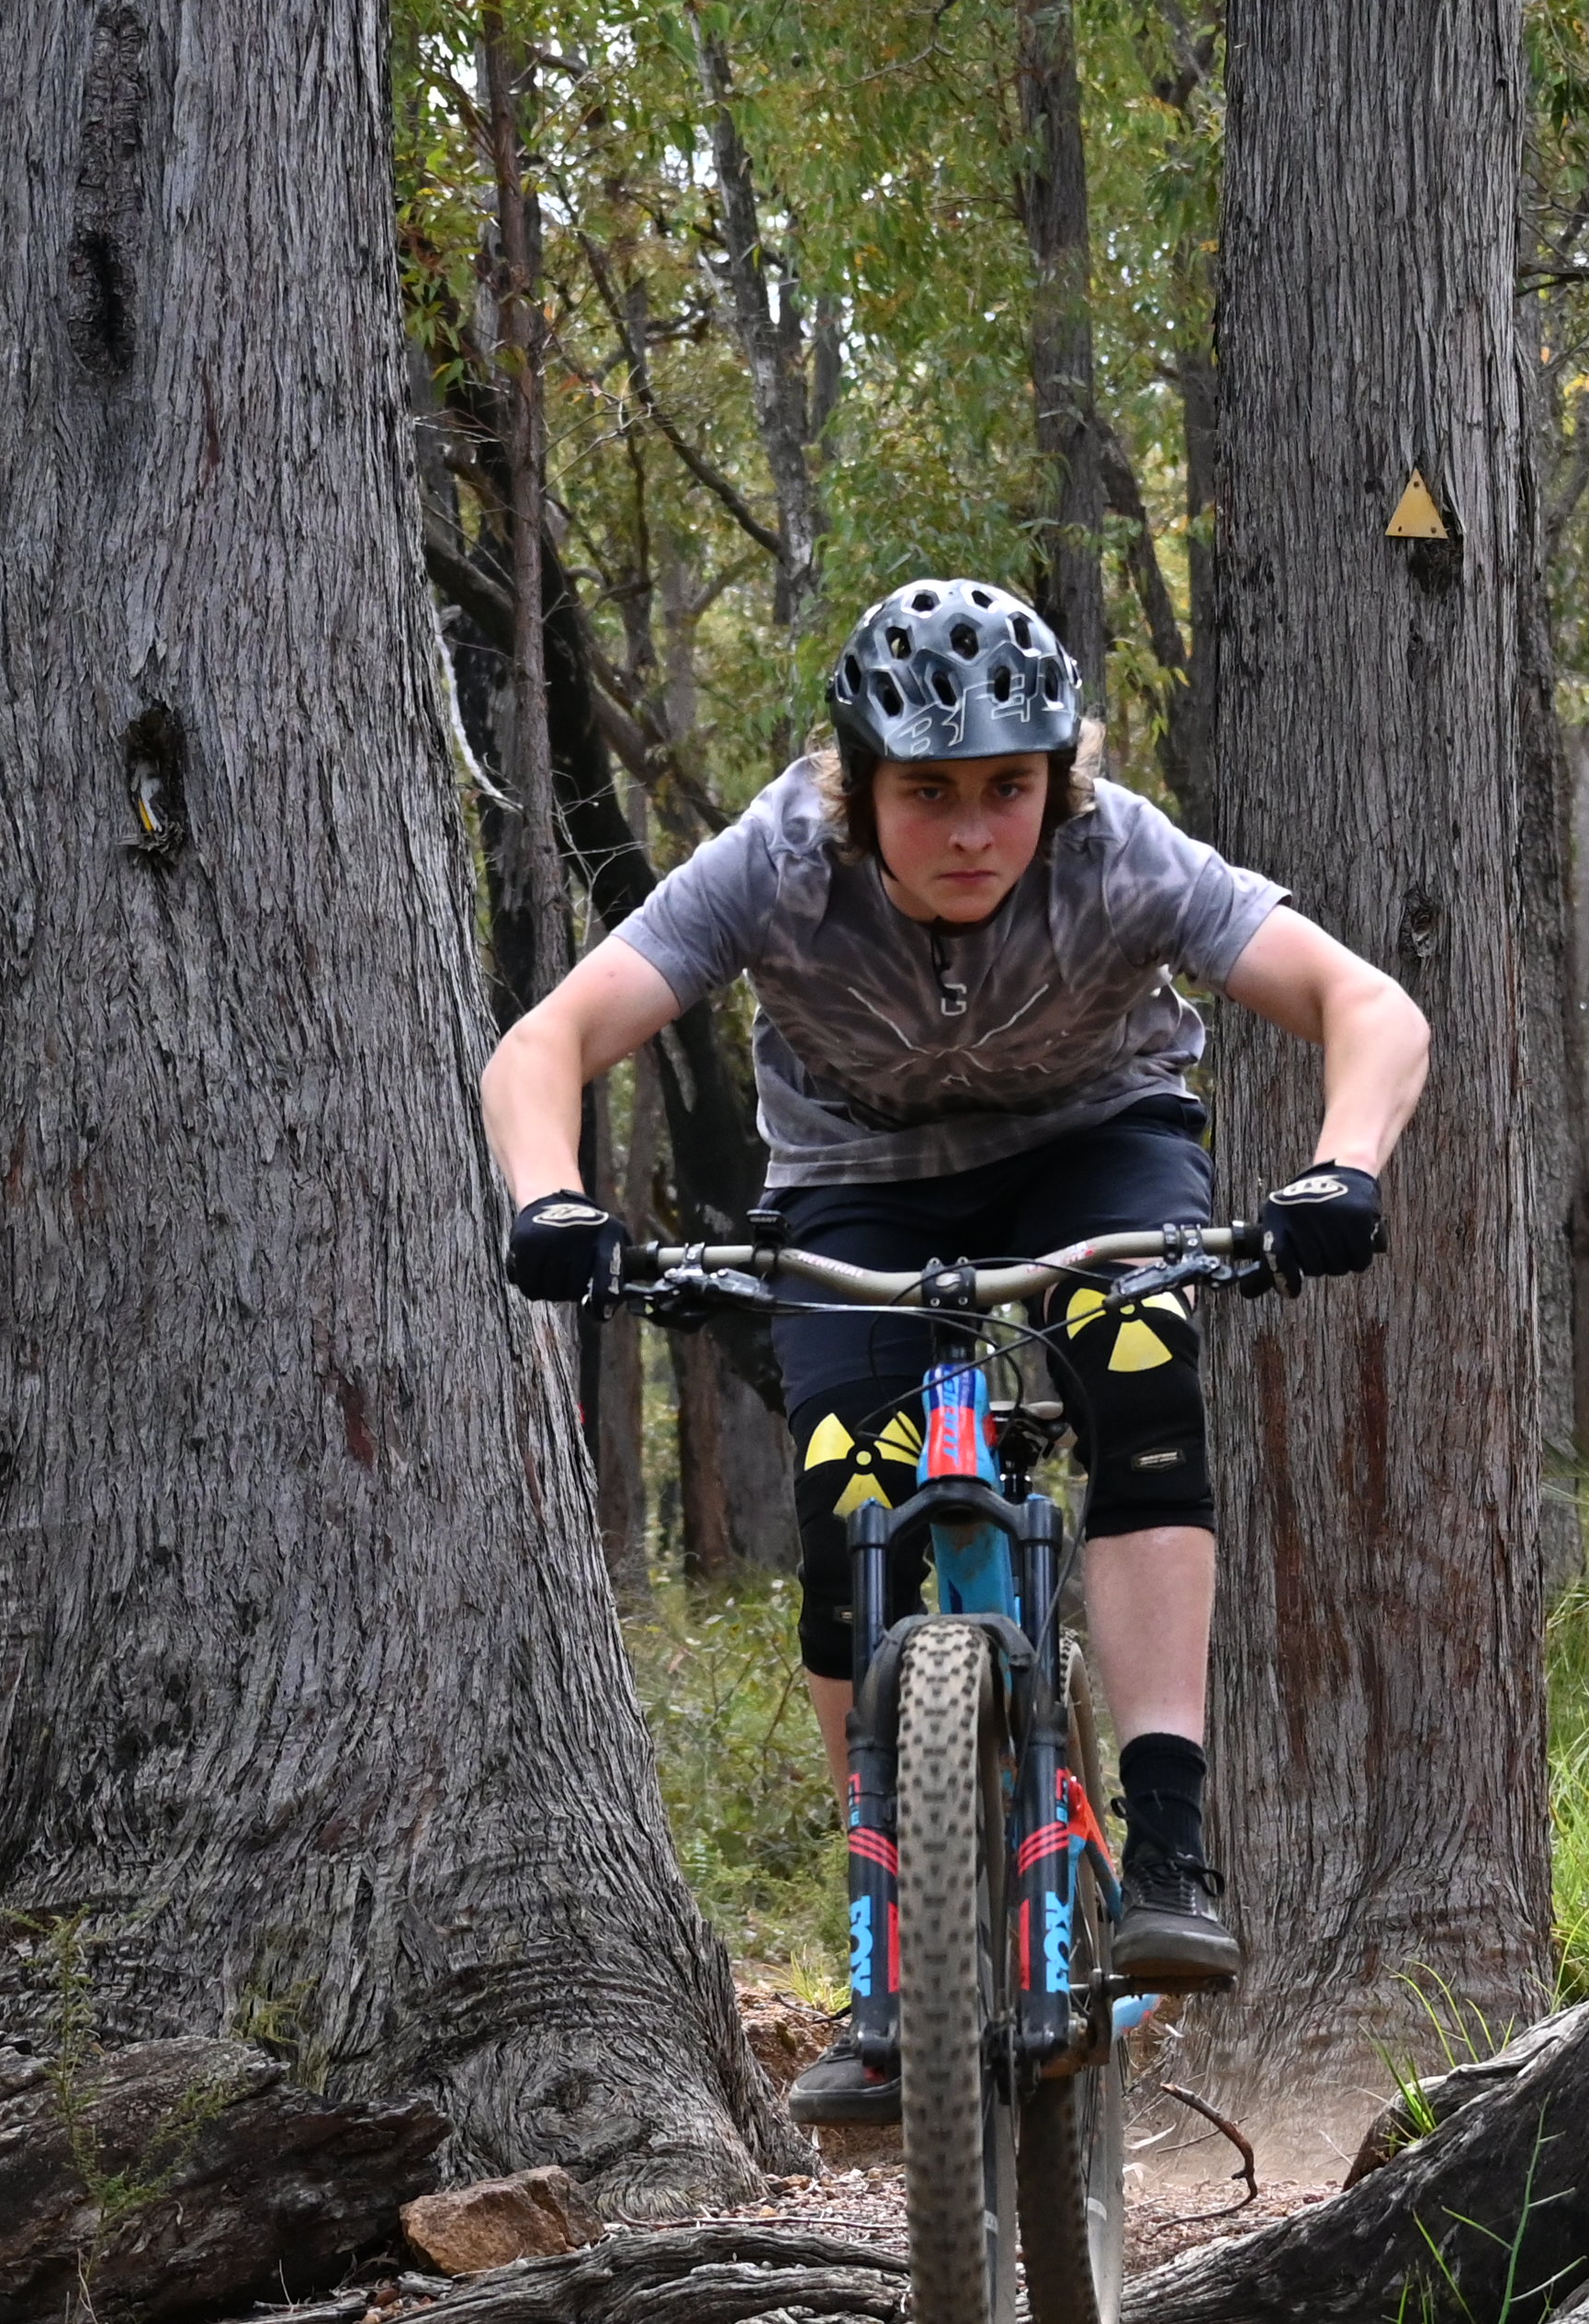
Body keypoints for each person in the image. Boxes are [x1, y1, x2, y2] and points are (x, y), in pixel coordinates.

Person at [480, 578, 1431, 2127]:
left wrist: (1343, 1169)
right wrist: (551, 1198)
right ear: (859, 789)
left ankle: (1169, 1839)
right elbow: (545, 1045)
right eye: (930, 792)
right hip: (850, 1190)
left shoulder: (1116, 853)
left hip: (1097, 1152)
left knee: (1138, 1364)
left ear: (1060, 778)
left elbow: (1364, 1003)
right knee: (848, 1499)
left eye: (1010, 787)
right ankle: (892, 1959)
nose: (975, 828)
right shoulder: (781, 861)